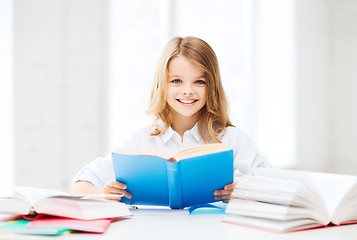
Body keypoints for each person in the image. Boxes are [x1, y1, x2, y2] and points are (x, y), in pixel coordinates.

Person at [70, 36, 270, 203]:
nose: (188, 91)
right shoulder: (142, 140)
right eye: (176, 81)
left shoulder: (232, 139)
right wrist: (104, 197)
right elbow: (80, 185)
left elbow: (276, 189)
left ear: (212, 87)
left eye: (199, 81)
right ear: (162, 84)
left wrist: (246, 194)